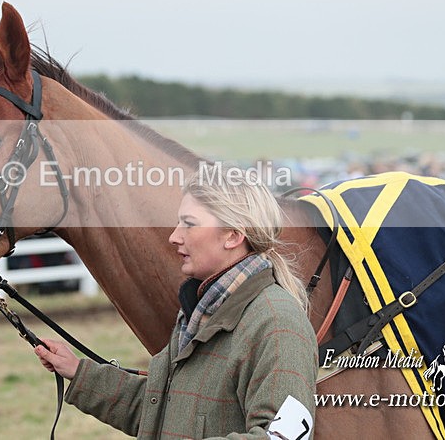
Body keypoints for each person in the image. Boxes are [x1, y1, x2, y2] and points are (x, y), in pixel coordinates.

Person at [34, 172, 317, 439]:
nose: (174, 236)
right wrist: (78, 372)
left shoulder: (278, 323)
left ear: (232, 235)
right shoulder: (201, 312)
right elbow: (164, 411)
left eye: (189, 223)